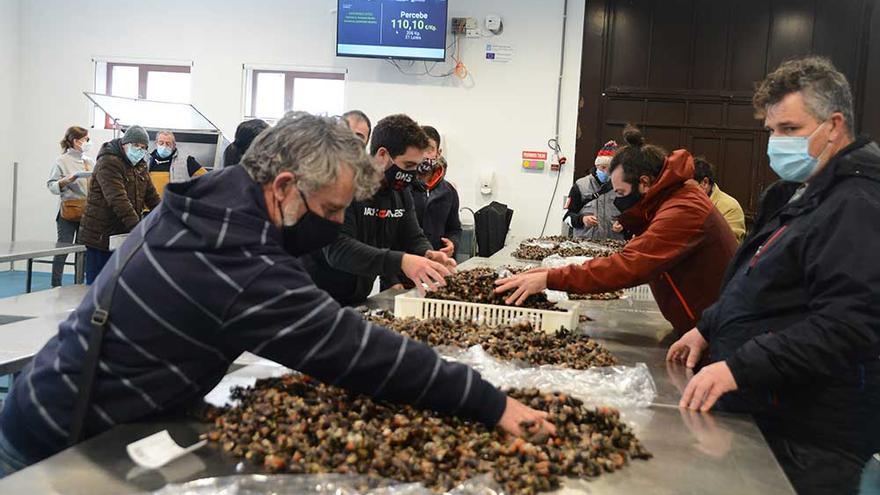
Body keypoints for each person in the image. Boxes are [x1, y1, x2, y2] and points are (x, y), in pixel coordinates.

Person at [0, 113, 552, 475]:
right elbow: (354, 349)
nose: (335, 225)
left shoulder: (220, 196)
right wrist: (489, 402)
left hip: (104, 412)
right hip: (56, 444)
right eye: (332, 211)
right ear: (285, 187)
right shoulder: (234, 253)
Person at [667, 56, 880, 495]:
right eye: (771, 131)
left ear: (834, 125)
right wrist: (706, 328)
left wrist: (740, 367)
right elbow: (753, 278)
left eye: (789, 130)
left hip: (812, 428)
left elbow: (847, 324)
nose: (775, 142)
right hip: (764, 404)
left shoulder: (857, 203)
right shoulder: (793, 194)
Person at [495, 126, 737, 337]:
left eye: (620, 193)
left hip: (715, 333)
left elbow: (629, 265)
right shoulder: (672, 198)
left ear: (644, 182)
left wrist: (551, 278)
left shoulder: (683, 208)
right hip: (701, 327)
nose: (619, 201)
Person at [303, 114, 457, 305]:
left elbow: (412, 236)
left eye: (415, 167)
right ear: (383, 155)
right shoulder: (343, 184)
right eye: (407, 165)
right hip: (315, 298)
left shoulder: (401, 191)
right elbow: (338, 249)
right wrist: (401, 261)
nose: (411, 175)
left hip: (357, 299)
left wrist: (429, 255)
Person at [78, 125, 160, 284]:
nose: (140, 150)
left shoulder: (140, 165)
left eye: (143, 147)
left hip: (122, 235)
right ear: (125, 143)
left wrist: (168, 216)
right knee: (97, 286)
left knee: (117, 286)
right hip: (101, 236)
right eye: (136, 145)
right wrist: (138, 229)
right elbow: (117, 199)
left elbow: (152, 196)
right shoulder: (108, 162)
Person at [46, 126, 94, 287]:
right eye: (86, 139)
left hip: (86, 213)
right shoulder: (61, 161)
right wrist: (65, 181)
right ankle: (56, 285)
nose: (88, 142)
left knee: (82, 252)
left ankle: (79, 285)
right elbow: (51, 185)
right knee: (63, 250)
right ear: (75, 141)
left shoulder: (89, 161)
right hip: (67, 213)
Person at [410, 125, 461, 257]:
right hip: (404, 269)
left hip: (437, 265)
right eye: (418, 148)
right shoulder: (401, 188)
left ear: (438, 153)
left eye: (429, 149)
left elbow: (454, 229)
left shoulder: (449, 191)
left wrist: (452, 244)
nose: (423, 154)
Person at [564, 140, 622, 240]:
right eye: (603, 167)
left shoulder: (621, 187)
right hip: (584, 246)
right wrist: (582, 220)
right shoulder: (580, 185)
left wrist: (624, 224)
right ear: (596, 166)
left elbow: (631, 215)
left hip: (613, 245)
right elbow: (566, 216)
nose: (606, 172)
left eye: (610, 168)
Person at [693, 157, 746, 243]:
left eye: (688, 187)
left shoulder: (730, 208)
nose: (682, 192)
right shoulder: (681, 203)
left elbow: (731, 248)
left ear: (705, 183)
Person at [147, 130, 207, 198]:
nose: (164, 146)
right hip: (150, 208)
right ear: (156, 144)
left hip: (173, 206)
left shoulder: (186, 161)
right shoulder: (147, 161)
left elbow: (207, 178)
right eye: (161, 143)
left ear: (174, 145)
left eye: (168, 144)